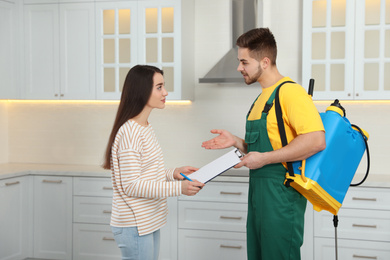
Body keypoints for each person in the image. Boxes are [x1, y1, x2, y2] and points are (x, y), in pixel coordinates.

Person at [202, 28, 326, 260]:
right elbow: (271, 145)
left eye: (244, 62)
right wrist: (238, 142)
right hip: (259, 194)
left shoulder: (291, 93)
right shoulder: (262, 98)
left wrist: (264, 159)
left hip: (282, 195)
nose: (239, 68)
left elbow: (316, 140)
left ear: (265, 61)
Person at [103, 65, 204, 260]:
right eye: (159, 87)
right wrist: (179, 188)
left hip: (146, 220)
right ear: (141, 90)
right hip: (134, 223)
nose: (165, 92)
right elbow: (132, 186)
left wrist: (174, 172)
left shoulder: (144, 127)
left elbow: (145, 174)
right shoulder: (131, 132)